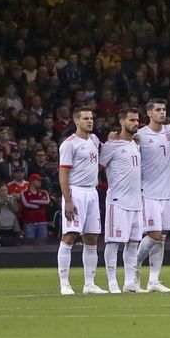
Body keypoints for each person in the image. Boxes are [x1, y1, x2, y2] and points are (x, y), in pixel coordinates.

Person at [133, 99, 170, 292]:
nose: (162, 113)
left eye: (164, 109)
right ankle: (134, 266)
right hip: (148, 193)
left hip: (167, 194)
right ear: (149, 113)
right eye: (158, 110)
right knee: (153, 235)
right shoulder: (140, 135)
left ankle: (154, 280)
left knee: (161, 237)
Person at [57, 107, 105, 295]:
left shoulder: (94, 140)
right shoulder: (69, 144)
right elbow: (63, 174)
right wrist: (68, 200)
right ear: (76, 121)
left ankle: (89, 284)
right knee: (69, 236)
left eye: (91, 118)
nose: (90, 121)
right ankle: (64, 284)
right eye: (85, 118)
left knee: (92, 238)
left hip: (92, 192)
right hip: (75, 192)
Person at [100, 108, 147, 294]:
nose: (135, 123)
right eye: (131, 120)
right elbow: (97, 166)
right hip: (117, 201)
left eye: (137, 120)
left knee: (133, 244)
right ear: (122, 122)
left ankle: (129, 283)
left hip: (136, 202)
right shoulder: (111, 145)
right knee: (113, 243)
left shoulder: (136, 144)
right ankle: (112, 283)